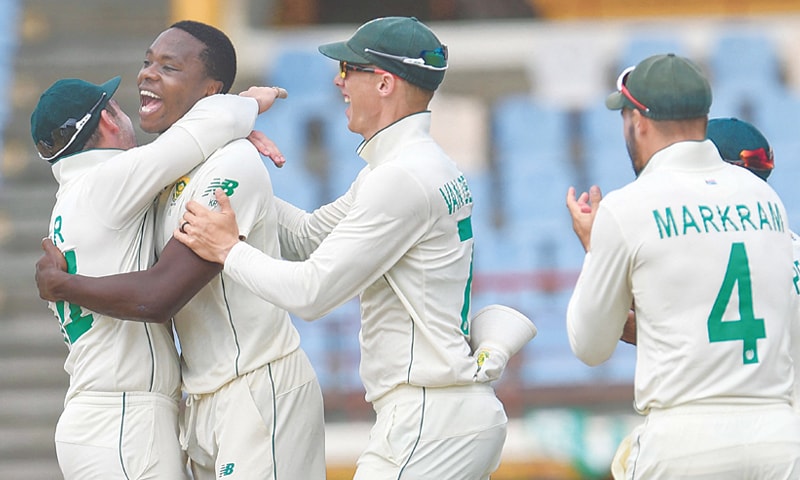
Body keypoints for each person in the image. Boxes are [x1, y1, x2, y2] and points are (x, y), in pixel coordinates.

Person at [173, 16, 510, 480]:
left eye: (350, 69)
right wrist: (231, 166)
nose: (338, 81)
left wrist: (229, 250)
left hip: (430, 418)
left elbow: (312, 293)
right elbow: (309, 236)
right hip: (442, 414)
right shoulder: (403, 168)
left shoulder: (400, 179)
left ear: (386, 83)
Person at [34, 21, 326, 479]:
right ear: (110, 120)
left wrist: (233, 133)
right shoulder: (122, 183)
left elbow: (163, 290)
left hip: (253, 387)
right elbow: (203, 133)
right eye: (147, 62)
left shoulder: (146, 182)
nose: (147, 74)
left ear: (211, 91)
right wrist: (244, 108)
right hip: (142, 414)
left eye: (166, 66)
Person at [565, 53, 800, 478]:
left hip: (685, 443)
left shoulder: (627, 207)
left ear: (638, 121)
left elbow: (591, 345)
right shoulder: (765, 198)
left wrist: (598, 251)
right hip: (778, 440)